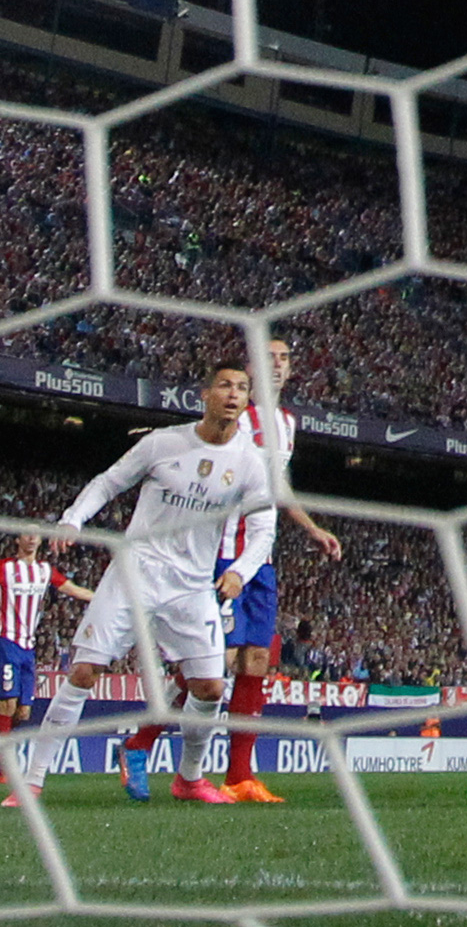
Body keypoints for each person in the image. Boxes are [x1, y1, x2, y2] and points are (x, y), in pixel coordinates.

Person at [21, 362, 277, 804]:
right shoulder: (163, 443)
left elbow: (264, 530)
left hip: (193, 586)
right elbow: (108, 483)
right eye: (225, 386)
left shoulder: (250, 463)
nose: (233, 395)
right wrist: (73, 519)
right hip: (135, 572)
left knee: (211, 687)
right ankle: (32, 781)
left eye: (242, 389)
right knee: (83, 672)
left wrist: (240, 571)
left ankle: (189, 779)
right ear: (205, 394)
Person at [166, 337, 345, 803]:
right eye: (268, 359)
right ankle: (142, 743)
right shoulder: (233, 417)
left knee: (257, 661)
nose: (278, 366)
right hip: (221, 553)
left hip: (259, 557)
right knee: (214, 664)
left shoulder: (286, 423)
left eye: (284, 358)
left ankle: (239, 776)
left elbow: (278, 490)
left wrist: (311, 528)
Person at [1, 534, 95, 806]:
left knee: (23, 711)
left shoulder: (44, 571)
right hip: (5, 643)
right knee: (6, 705)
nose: (30, 539)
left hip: (29, 649)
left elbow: (74, 590)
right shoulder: (5, 568)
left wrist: (105, 600)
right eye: (26, 535)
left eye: (35, 535)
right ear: (18, 539)